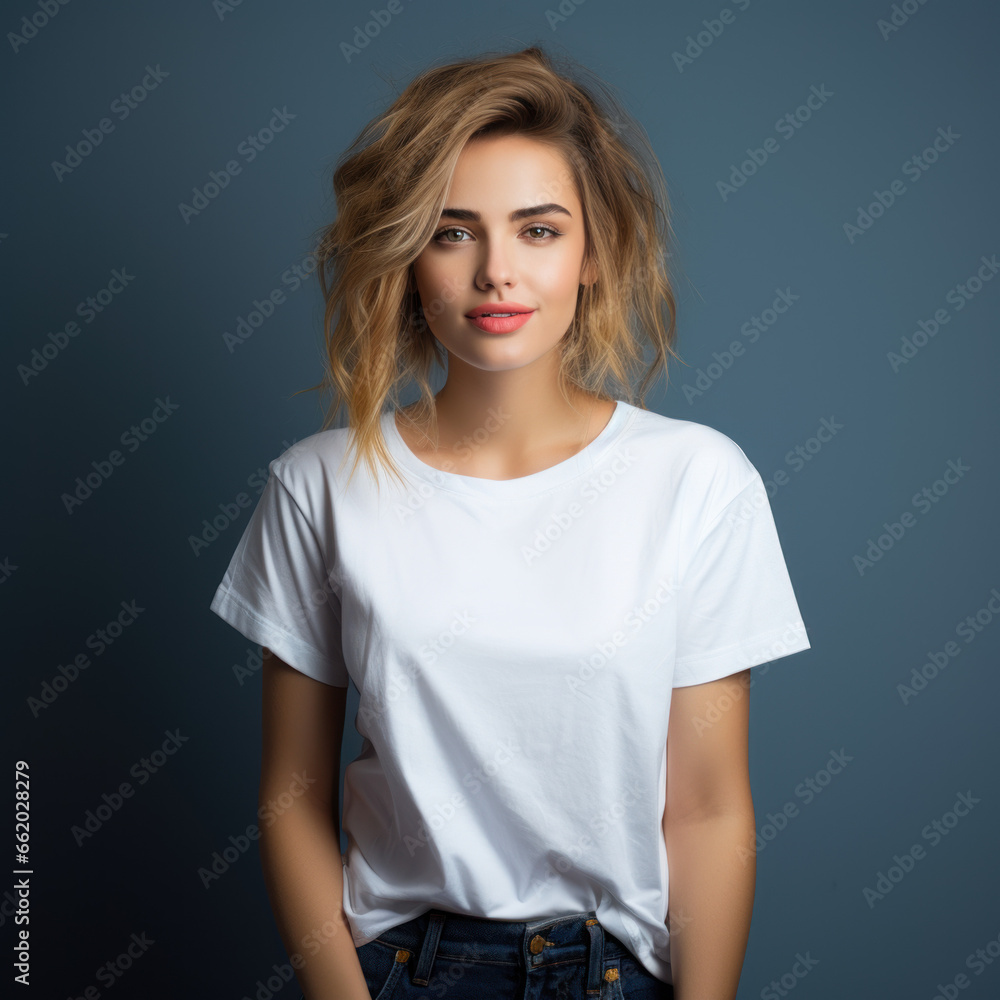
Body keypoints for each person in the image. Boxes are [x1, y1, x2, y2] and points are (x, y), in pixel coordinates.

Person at [209, 45, 811, 1000]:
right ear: (407, 257)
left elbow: (705, 809)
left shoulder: (699, 481)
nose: (497, 272)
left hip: (619, 973)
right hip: (399, 970)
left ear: (593, 254)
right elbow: (291, 797)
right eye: (453, 232)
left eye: (538, 230)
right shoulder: (319, 488)